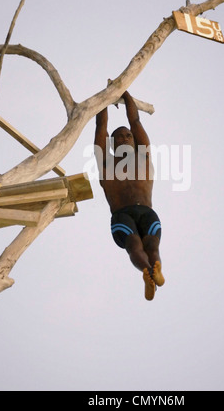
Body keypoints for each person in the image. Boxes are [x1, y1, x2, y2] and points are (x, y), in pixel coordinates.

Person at [94, 90, 165, 301]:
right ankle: (147, 272)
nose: (124, 138)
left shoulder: (143, 157)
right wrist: (107, 97)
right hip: (121, 215)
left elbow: (134, 120)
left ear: (134, 141)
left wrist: (125, 93)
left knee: (152, 245)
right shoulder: (105, 162)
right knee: (134, 244)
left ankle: (155, 271)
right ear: (112, 144)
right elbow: (101, 127)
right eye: (118, 137)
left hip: (147, 213)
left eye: (128, 136)